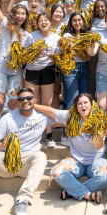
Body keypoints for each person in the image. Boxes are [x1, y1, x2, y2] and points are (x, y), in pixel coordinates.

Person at [34, 94, 107, 203]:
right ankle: (88, 195)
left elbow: (99, 146)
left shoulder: (99, 119)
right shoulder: (71, 116)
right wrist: (33, 105)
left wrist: (101, 136)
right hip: (77, 160)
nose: (83, 106)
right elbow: (51, 112)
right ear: (76, 107)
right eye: (79, 103)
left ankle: (71, 191)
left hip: (96, 159)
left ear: (92, 104)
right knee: (57, 172)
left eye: (85, 102)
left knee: (104, 177)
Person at [0, 0, 29, 133]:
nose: (20, 16)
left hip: (16, 71)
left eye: (23, 14)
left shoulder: (27, 35)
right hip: (0, 67)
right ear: (13, 15)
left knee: (13, 101)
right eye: (18, 13)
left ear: (26, 17)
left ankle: (10, 133)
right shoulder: (5, 26)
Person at [23, 12, 61, 147]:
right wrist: (34, 56)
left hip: (48, 71)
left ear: (51, 23)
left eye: (46, 20)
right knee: (33, 102)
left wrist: (53, 59)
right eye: (41, 20)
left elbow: (60, 58)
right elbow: (24, 56)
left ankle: (49, 135)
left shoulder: (57, 38)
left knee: (47, 104)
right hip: (32, 71)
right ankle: (34, 136)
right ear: (37, 23)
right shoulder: (31, 36)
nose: (43, 22)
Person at [62, 11, 97, 112]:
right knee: (72, 102)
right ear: (71, 22)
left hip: (84, 68)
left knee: (84, 102)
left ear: (83, 21)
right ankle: (69, 127)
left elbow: (88, 59)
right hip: (71, 69)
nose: (77, 22)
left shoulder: (87, 36)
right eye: (74, 20)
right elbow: (65, 56)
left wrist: (89, 49)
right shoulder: (67, 36)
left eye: (79, 20)